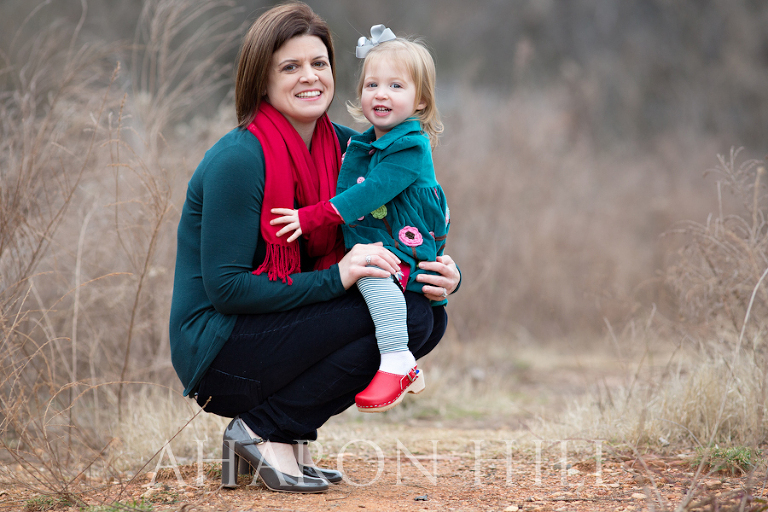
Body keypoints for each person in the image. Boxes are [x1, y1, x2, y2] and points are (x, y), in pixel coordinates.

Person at [168, 2, 461, 494]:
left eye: (319, 63)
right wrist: (338, 276)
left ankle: (286, 432)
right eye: (290, 67)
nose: (309, 77)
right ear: (262, 80)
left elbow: (409, 225)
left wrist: (442, 273)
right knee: (408, 317)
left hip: (280, 325)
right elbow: (227, 290)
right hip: (219, 350)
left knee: (428, 313)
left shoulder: (353, 151)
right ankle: (262, 431)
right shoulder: (239, 160)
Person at [271, 31, 449, 414]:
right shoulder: (367, 142)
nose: (381, 94)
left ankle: (397, 358)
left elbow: (366, 195)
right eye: (372, 85)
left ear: (420, 100)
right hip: (392, 234)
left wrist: (309, 217)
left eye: (395, 86)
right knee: (371, 270)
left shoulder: (409, 146)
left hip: (405, 237)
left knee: (373, 272)